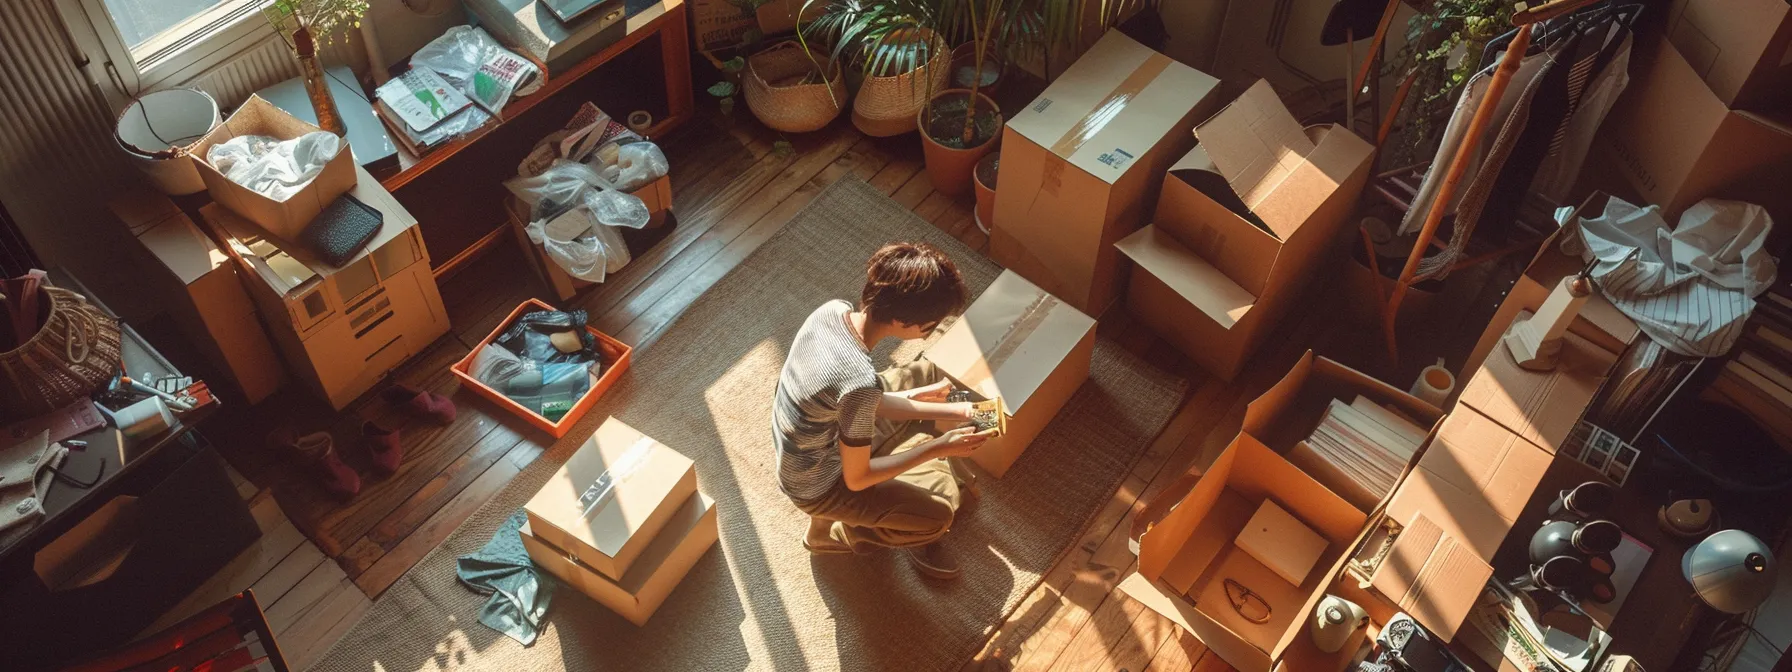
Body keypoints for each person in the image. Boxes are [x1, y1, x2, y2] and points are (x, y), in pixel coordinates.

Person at [772, 242, 992, 580]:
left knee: (922, 377)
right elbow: (857, 477)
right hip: (818, 486)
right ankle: (842, 531)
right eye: (931, 326)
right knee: (938, 515)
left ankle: (833, 525)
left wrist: (927, 400)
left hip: (804, 449)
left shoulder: (831, 311)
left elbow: (858, 397)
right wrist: (938, 447)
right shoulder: (859, 384)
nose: (928, 332)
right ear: (906, 322)